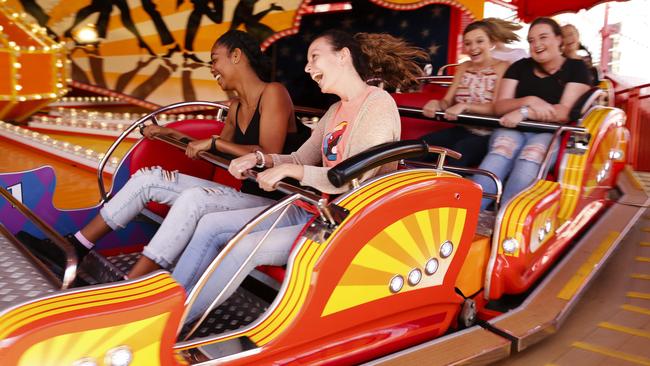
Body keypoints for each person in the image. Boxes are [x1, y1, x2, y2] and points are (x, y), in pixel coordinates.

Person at [170, 30, 426, 324]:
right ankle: (168, 304)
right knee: (212, 224)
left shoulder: (377, 103)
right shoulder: (334, 111)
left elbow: (351, 177)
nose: (307, 68)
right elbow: (299, 158)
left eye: (314, 57)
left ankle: (178, 322)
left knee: (244, 246)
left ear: (343, 56)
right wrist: (260, 158)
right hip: (315, 209)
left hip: (348, 222)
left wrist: (293, 171)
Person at [23, 30, 297, 275]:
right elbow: (220, 155)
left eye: (215, 59)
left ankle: (134, 284)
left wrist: (215, 143)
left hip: (275, 203)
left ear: (236, 56)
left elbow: (267, 153)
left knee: (193, 199)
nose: (212, 68)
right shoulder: (236, 106)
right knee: (147, 179)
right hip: (245, 195)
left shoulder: (273, 93)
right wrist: (169, 134)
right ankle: (76, 246)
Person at [473, 17, 591, 209]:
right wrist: (529, 101)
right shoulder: (520, 67)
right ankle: (470, 211)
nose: (536, 44)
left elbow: (563, 112)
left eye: (543, 37)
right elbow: (500, 106)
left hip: (549, 131)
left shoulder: (576, 69)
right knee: (502, 150)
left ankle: (507, 217)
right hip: (513, 127)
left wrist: (524, 112)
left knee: (531, 157)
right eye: (531, 40)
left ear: (559, 39)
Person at [420, 20, 509, 167]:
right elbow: (447, 102)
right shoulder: (463, 67)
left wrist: (464, 106)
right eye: (468, 43)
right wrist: (436, 103)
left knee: (460, 152)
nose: (473, 48)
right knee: (419, 147)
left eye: (479, 41)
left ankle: (449, 189)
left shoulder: (502, 67)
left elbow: (497, 108)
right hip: (463, 129)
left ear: (491, 42)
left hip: (488, 134)